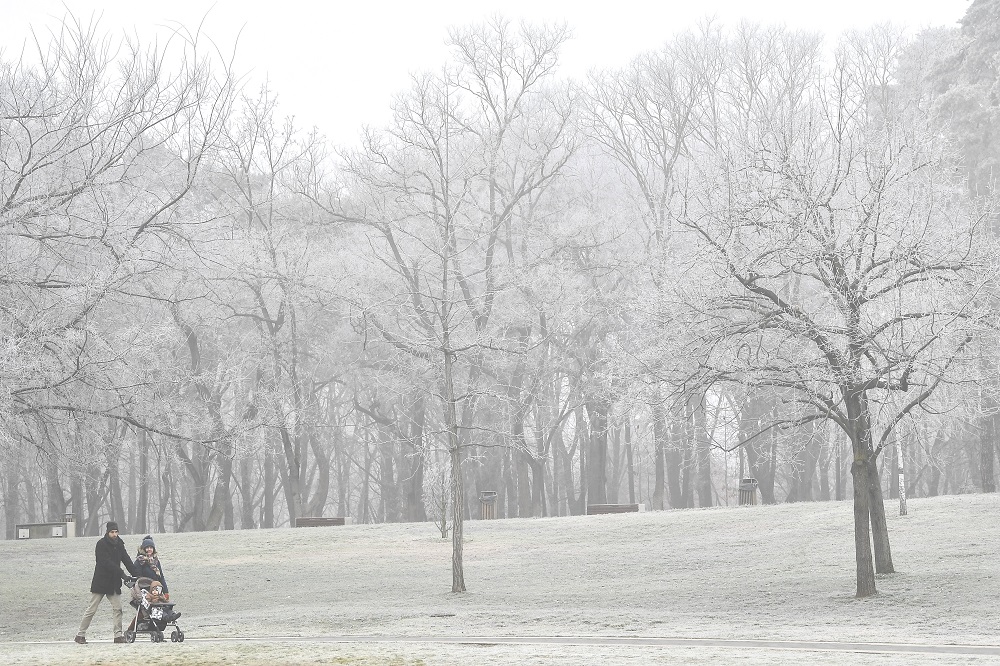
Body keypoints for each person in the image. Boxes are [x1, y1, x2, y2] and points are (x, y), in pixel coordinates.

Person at [74, 521, 141, 644]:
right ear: (107, 532)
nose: (115, 534)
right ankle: (80, 635)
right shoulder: (101, 544)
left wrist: (137, 574)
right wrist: (122, 574)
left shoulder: (120, 544)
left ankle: (118, 636)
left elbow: (126, 559)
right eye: (112, 532)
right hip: (100, 582)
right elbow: (105, 562)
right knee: (92, 609)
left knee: (118, 609)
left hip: (114, 583)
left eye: (116, 532)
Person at [133, 535, 169, 600]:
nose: (149, 549)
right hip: (144, 590)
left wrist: (166, 591)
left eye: (151, 547)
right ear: (143, 549)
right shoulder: (139, 561)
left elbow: (161, 577)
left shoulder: (156, 561)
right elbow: (138, 578)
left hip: (156, 589)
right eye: (147, 547)